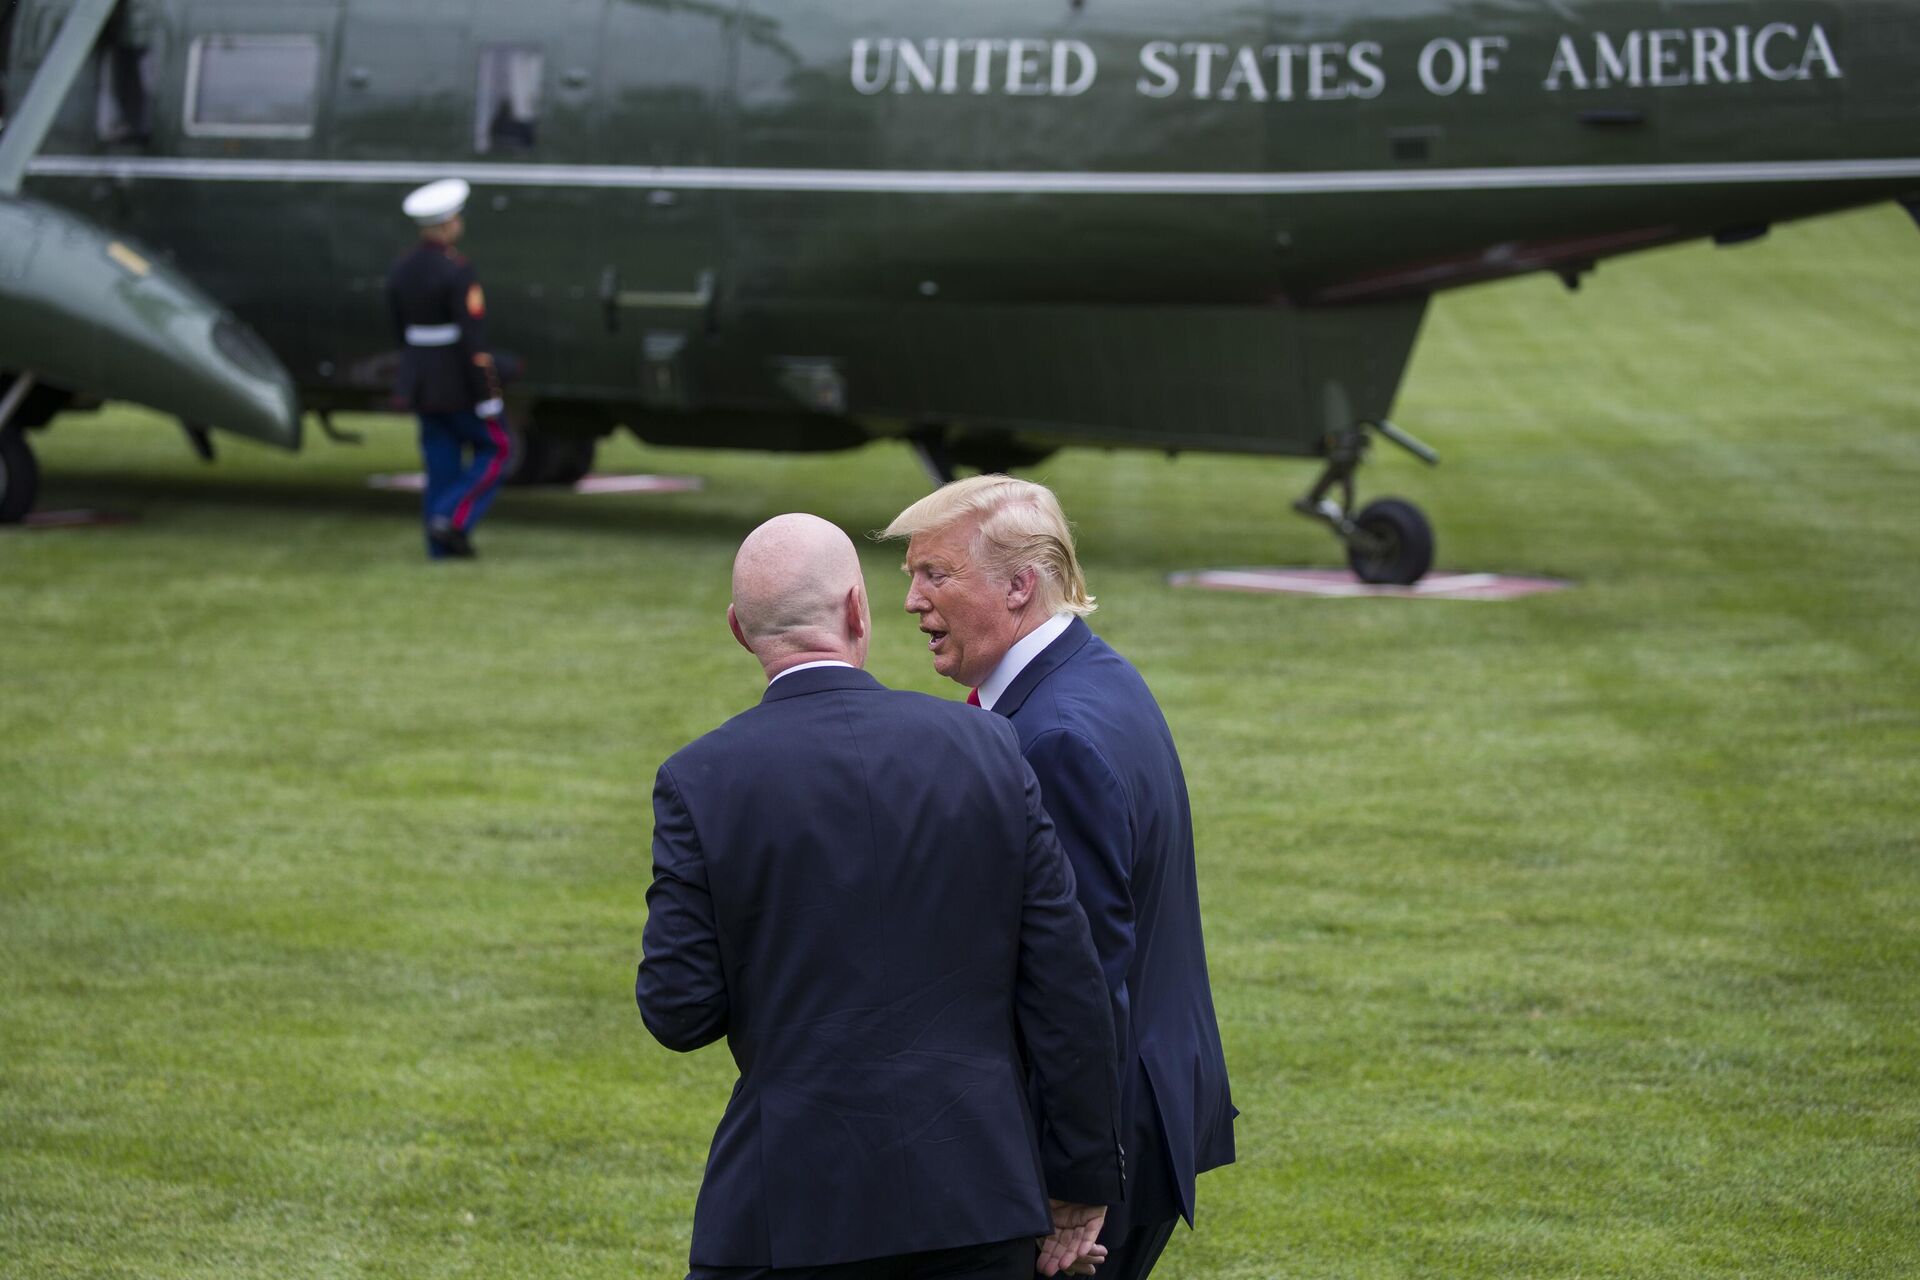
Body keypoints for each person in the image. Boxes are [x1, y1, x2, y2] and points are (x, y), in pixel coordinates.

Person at [636, 513, 1125, 1280]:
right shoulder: (986, 748)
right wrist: (1081, 1181)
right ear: (858, 609)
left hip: (790, 1207)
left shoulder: (702, 779)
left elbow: (678, 1008)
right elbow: (1068, 986)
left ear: (740, 630)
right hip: (978, 1197)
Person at [883, 478, 1237, 1280]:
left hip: (1094, 1152)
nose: (911, 600)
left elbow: (1079, 976)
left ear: (1018, 585)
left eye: (935, 574)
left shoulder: (1054, 742)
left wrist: (1077, 1181)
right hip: (1136, 1111)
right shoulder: (1094, 678)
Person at [385, 178, 509, 560]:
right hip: (457, 381)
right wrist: (489, 393)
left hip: (421, 379)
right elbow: (473, 341)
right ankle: (449, 517)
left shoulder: (402, 267)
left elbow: (397, 328)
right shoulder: (456, 270)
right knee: (500, 448)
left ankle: (439, 547)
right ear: (449, 223)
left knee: (440, 462)